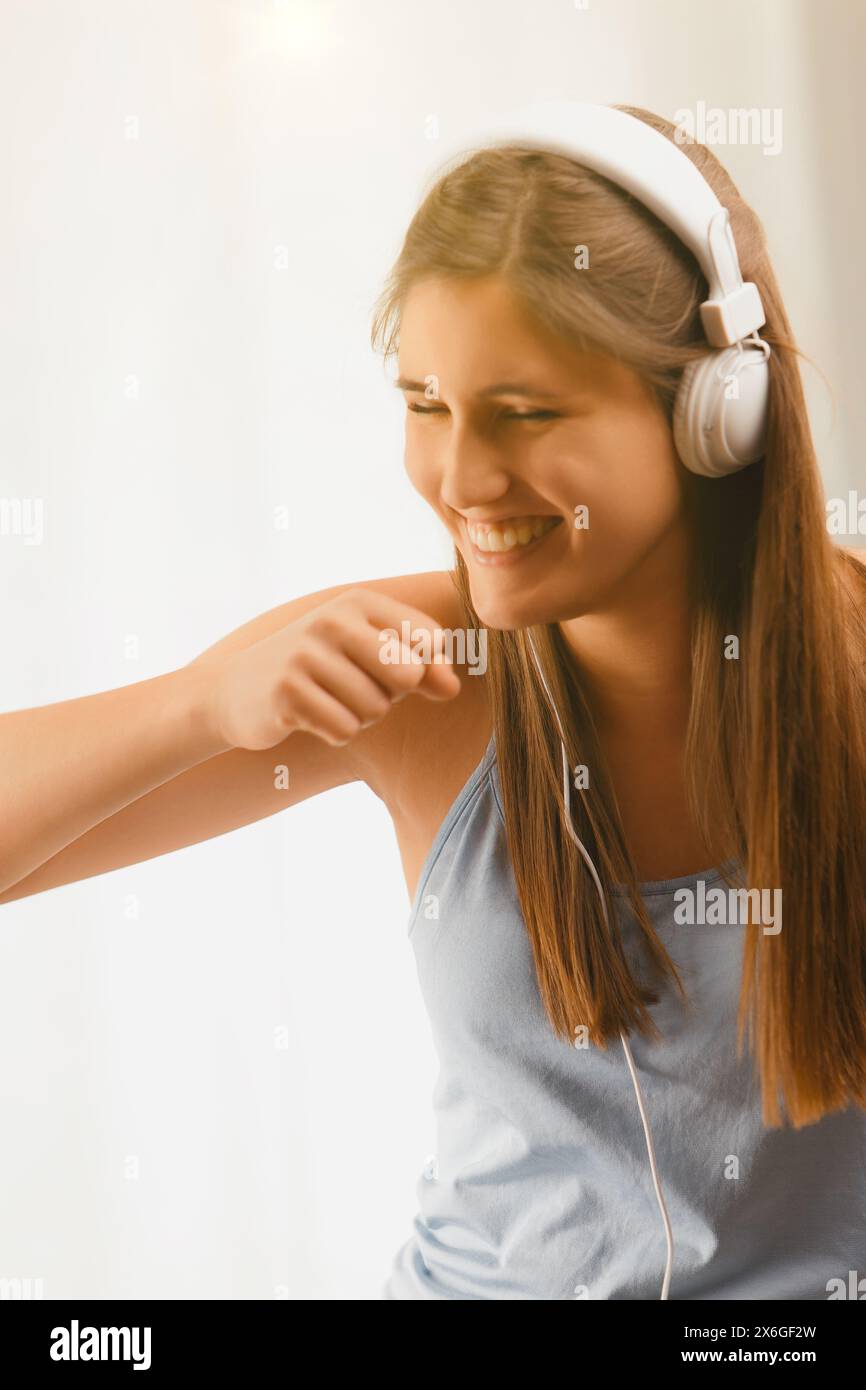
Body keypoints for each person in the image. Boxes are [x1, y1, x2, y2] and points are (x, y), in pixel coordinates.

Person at [2, 105, 865, 1301]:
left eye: (525, 414)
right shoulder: (417, 672)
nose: (458, 480)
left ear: (713, 409)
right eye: (423, 403)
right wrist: (199, 705)